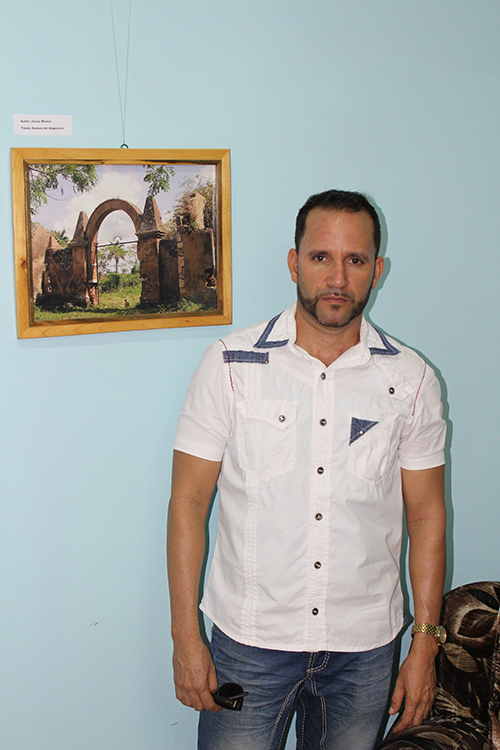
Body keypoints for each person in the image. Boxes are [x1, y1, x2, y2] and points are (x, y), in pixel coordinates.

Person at [167, 190, 447, 750]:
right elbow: (188, 504)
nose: (337, 278)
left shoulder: (411, 380)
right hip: (248, 647)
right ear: (294, 263)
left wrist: (425, 643)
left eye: (355, 260)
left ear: (377, 271)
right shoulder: (231, 364)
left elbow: (427, 516)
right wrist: (185, 636)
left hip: (365, 652)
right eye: (321, 257)